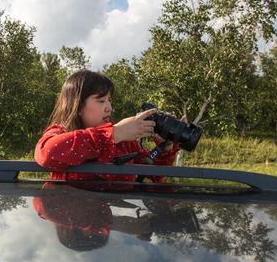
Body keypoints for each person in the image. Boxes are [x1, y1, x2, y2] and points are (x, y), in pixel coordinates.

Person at [34, 69, 184, 182]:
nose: (109, 108)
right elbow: (46, 154)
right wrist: (114, 134)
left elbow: (153, 174)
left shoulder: (125, 143)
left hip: (113, 222)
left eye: (109, 100)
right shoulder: (60, 132)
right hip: (72, 222)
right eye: (101, 101)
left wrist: (166, 148)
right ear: (77, 106)